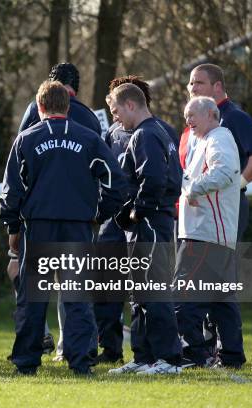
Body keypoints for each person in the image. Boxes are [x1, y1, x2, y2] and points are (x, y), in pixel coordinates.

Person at [0, 80, 124, 375]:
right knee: (77, 297)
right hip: (77, 227)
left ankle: (26, 363)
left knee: (33, 298)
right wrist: (99, 214)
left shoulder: (27, 139)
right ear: (68, 106)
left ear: (39, 107)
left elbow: (11, 192)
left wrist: (12, 228)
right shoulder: (89, 138)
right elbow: (116, 182)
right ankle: (81, 362)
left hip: (38, 227)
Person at [182, 63, 252, 368]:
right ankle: (228, 353)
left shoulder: (227, 124)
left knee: (192, 291)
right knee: (221, 293)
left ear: (217, 88)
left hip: (213, 224)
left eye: (199, 82)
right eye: (190, 83)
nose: (192, 87)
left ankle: (194, 353)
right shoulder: (201, 131)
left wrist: (237, 185)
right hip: (210, 223)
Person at [95, 75, 181, 364]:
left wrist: (137, 211)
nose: (116, 120)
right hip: (142, 225)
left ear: (131, 105)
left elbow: (156, 179)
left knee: (154, 291)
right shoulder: (157, 131)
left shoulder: (147, 134)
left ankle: (168, 359)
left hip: (150, 224)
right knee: (140, 294)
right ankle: (143, 358)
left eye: (116, 112)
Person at [175, 96, 240, 368]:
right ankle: (231, 356)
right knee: (221, 301)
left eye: (192, 114)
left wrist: (193, 189)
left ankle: (194, 354)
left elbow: (225, 172)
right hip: (216, 236)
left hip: (204, 235)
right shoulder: (203, 139)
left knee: (184, 296)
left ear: (212, 114)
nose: (187, 120)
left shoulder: (218, 137)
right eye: (186, 115)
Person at [18, 62, 102, 136]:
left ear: (51, 84)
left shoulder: (35, 107)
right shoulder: (91, 117)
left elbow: (20, 141)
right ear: (76, 86)